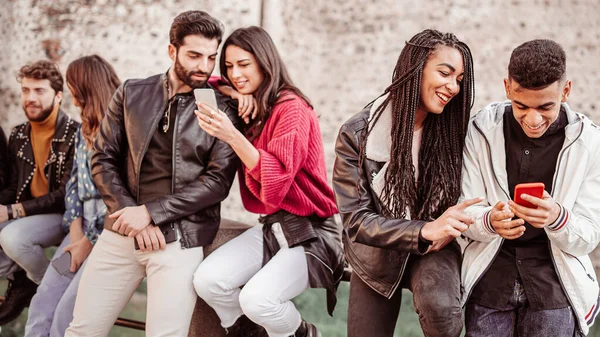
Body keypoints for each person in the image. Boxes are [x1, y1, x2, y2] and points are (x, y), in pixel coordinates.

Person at [65, 11, 240, 337]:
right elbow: (102, 158)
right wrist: (128, 213)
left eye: (211, 58)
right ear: (172, 51)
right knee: (82, 330)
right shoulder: (132, 92)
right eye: (194, 55)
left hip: (179, 239)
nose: (204, 66)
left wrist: (150, 214)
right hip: (121, 232)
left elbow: (217, 182)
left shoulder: (223, 109)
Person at [192, 26, 344, 337]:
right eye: (230, 66)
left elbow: (275, 183)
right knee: (207, 281)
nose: (236, 73)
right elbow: (202, 81)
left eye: (244, 65)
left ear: (265, 62)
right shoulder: (258, 103)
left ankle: (301, 333)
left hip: (312, 231)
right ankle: (251, 333)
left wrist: (232, 136)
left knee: (257, 299)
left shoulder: (293, 110)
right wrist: (235, 92)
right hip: (273, 227)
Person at [332, 29, 477, 337]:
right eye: (445, 73)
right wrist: (423, 230)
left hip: (437, 247)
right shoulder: (358, 133)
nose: (453, 87)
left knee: (440, 308)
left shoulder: (453, 130)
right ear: (416, 68)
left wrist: (440, 230)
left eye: (459, 79)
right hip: (376, 253)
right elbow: (356, 221)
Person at [460, 39, 600, 337]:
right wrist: (489, 221)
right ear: (507, 87)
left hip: (555, 287)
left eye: (546, 106)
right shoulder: (481, 130)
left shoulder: (591, 144)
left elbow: (589, 237)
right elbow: (465, 212)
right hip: (490, 280)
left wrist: (557, 217)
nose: (533, 119)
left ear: (566, 91)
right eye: (521, 105)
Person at [24, 55, 120, 337]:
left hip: (107, 238)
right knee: (43, 301)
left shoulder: (122, 131)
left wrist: (87, 244)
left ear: (89, 89)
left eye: (74, 90)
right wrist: (76, 234)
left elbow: (115, 198)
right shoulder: (83, 131)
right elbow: (74, 187)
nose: (72, 99)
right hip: (79, 233)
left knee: (68, 311)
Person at [0, 60, 79, 324]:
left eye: (39, 91)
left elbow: (64, 195)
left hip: (65, 217)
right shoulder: (20, 133)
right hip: (28, 215)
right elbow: (13, 186)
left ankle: (49, 288)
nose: (30, 98)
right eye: (25, 90)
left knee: (12, 238)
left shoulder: (74, 134)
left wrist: (13, 211)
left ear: (58, 96)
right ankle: (24, 279)